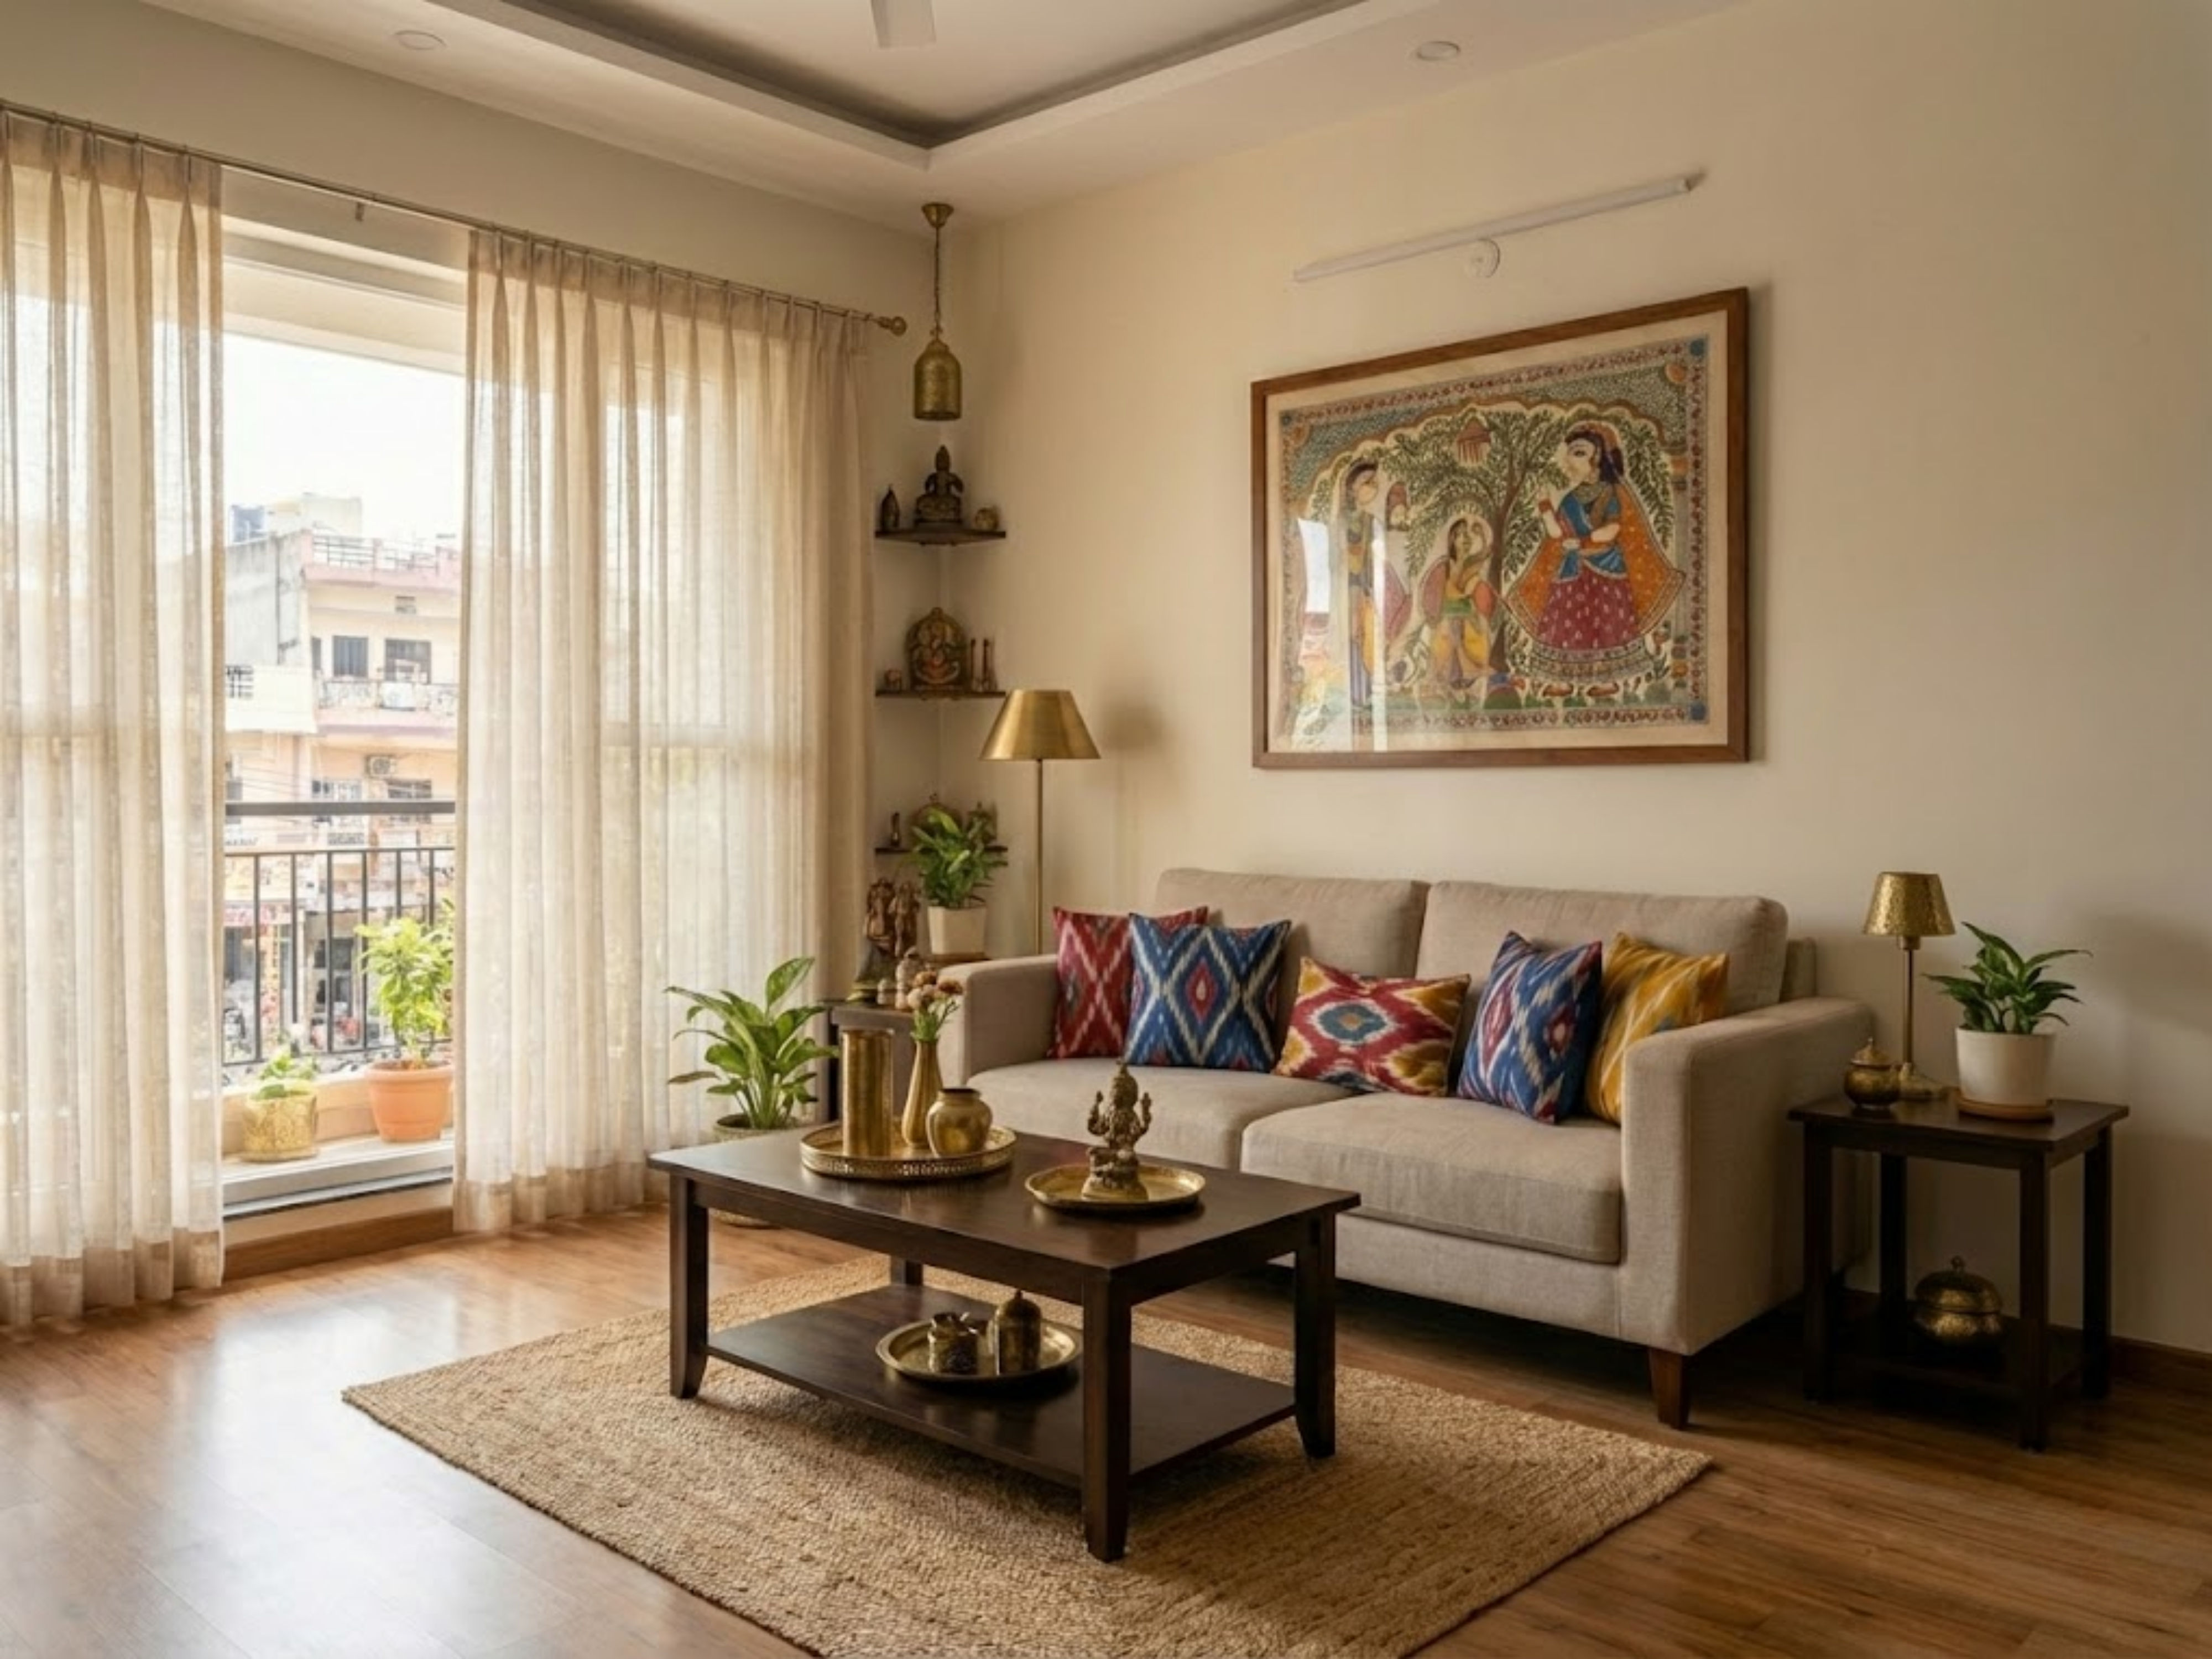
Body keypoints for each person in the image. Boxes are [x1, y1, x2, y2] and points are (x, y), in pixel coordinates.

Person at [1505, 424, 1683, 688]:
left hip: (1605, 566)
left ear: (1596, 456)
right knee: (1565, 621)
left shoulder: (1609, 492)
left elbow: (1612, 529)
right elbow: (1555, 533)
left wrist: (1584, 541)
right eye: (1571, 453)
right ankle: (1562, 680)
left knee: (1606, 625)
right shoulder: (1569, 499)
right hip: (1571, 567)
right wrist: (1544, 506)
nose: (1569, 460)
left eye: (1579, 452)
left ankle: (1608, 681)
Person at [1425, 517, 1492, 692]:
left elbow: (1486, 552)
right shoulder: (1446, 565)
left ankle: (1466, 676)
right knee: (1451, 630)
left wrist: (1482, 535)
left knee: (1476, 632)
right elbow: (1439, 594)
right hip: (1448, 617)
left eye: (1468, 535)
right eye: (1461, 535)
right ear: (1452, 540)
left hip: (1468, 616)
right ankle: (1453, 676)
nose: (1466, 539)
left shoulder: (1472, 564)